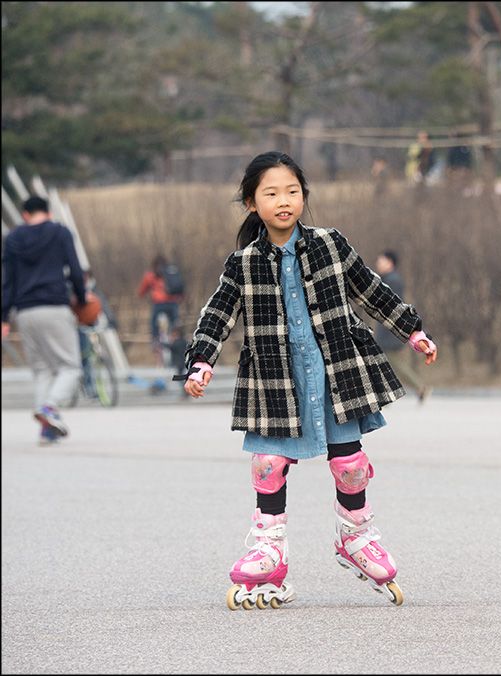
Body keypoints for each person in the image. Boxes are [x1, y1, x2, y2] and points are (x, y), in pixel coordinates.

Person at [177, 151, 438, 610]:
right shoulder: (243, 263)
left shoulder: (331, 244)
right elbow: (217, 315)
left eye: (293, 191)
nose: (284, 201)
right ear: (251, 203)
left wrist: (412, 330)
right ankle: (269, 548)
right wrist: (201, 361)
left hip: (336, 372)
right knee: (268, 466)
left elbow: (372, 290)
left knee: (351, 464)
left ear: (304, 196)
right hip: (275, 380)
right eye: (271, 193)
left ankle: (356, 537)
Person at [1, 196, 87, 445]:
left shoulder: (13, 238)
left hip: (25, 312)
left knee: (42, 370)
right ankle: (49, 408)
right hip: (54, 306)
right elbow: (75, 270)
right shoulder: (60, 232)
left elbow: (7, 280)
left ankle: (47, 430)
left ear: (25, 214)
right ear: (48, 213)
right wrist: (81, 299)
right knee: (70, 367)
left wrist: (3, 317)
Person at [373, 250, 431, 403]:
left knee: (392, 363)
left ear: (389, 262)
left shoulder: (392, 281)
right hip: (389, 330)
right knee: (387, 363)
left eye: (381, 260)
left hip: (390, 331)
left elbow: (391, 305)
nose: (378, 263)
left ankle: (420, 387)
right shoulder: (389, 279)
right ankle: (386, 395)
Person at [137, 254, 184, 367]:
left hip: (159, 304)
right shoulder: (171, 272)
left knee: (153, 324)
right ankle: (176, 340)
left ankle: (155, 341)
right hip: (173, 304)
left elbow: (141, 292)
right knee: (175, 326)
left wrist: (144, 295)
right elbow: (180, 288)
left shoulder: (150, 275)